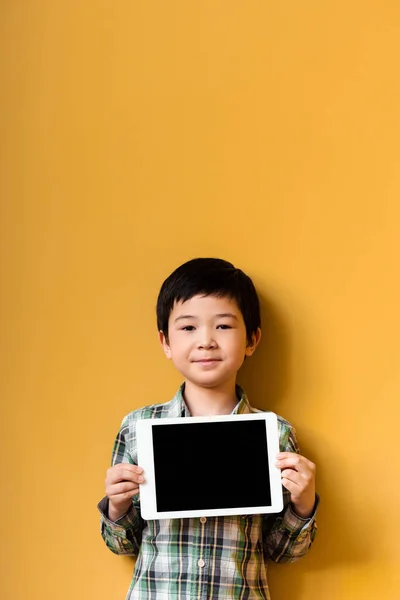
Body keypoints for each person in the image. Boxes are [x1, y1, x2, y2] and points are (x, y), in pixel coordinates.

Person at [98, 257, 318, 600]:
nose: (206, 341)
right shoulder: (138, 428)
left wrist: (302, 504)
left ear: (252, 339)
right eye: (188, 328)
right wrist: (117, 507)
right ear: (165, 341)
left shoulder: (275, 434)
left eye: (223, 326)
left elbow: (281, 551)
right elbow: (122, 544)